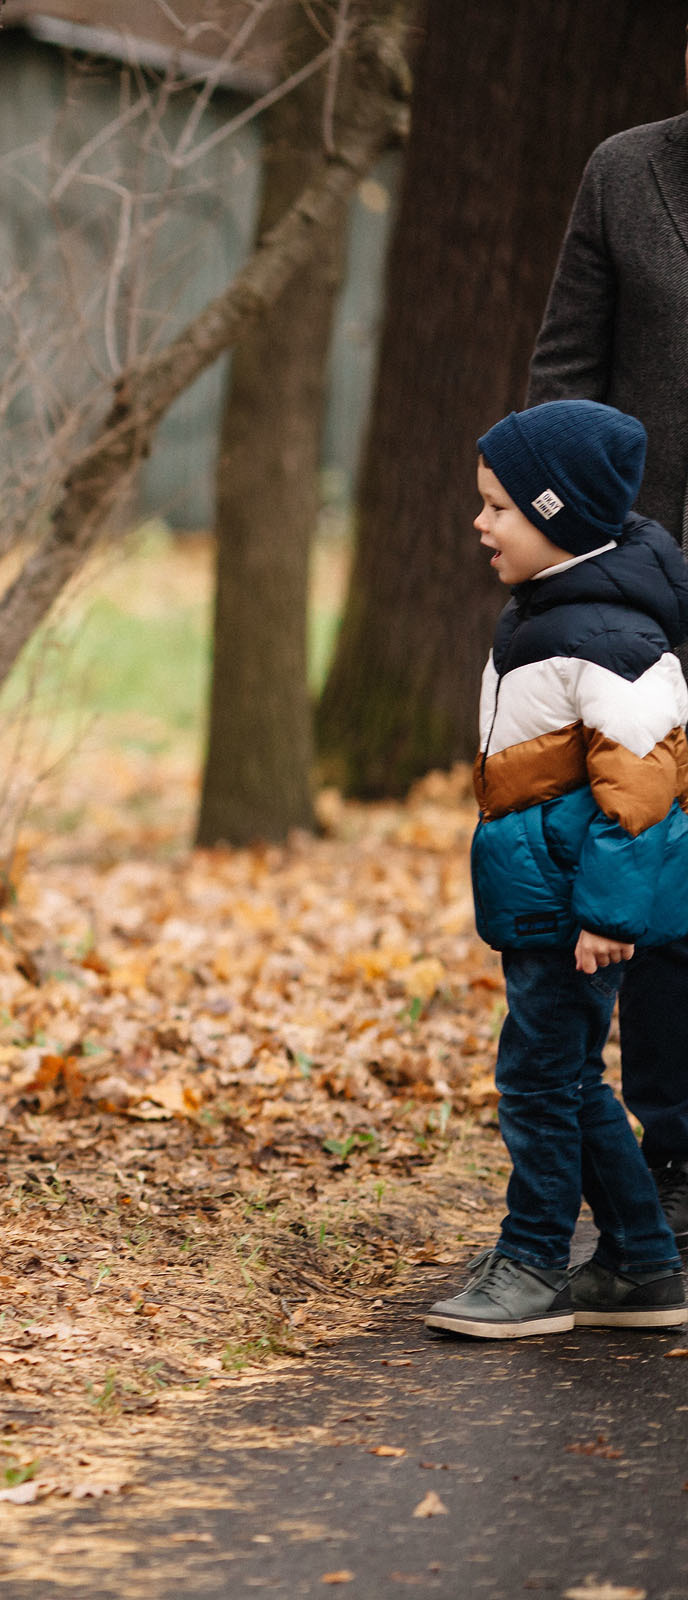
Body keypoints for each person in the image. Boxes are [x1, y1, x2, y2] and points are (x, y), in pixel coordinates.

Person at [427, 401, 688, 1338]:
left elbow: (647, 789)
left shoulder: (612, 640)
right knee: (567, 1079)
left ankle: (534, 1261)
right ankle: (643, 1265)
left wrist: (610, 915)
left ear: (558, 514)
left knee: (541, 1080)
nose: (480, 523)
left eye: (499, 507)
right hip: (549, 895)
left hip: (577, 905)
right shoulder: (552, 611)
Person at [528, 81, 688, 1236]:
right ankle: (675, 1140)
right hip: (656, 588)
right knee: (659, 847)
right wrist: (582, 559)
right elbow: (566, 384)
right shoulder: (627, 171)